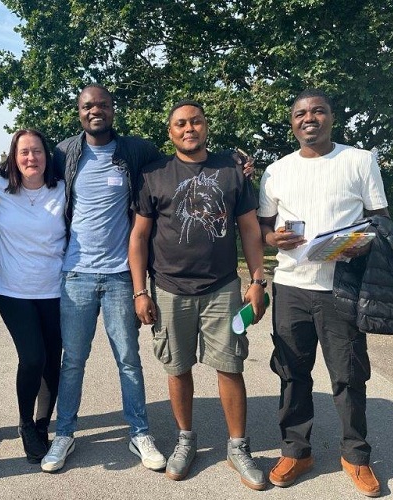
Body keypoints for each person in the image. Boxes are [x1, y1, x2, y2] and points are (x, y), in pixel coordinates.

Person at [128, 100, 268, 490]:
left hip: (222, 286)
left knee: (230, 366)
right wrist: (141, 290)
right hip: (169, 288)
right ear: (170, 131)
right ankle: (185, 440)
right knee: (177, 367)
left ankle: (238, 447)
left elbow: (250, 231)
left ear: (206, 126)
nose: (189, 128)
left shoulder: (231, 170)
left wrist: (257, 281)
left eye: (196, 121)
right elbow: (138, 237)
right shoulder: (153, 174)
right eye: (180, 123)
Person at [257, 89, 390, 498]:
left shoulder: (359, 160)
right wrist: (272, 239)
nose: (308, 118)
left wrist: (357, 243)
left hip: (342, 287)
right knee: (292, 373)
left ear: (332, 117)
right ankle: (296, 451)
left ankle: (356, 455)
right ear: (292, 122)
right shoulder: (276, 170)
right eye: (300, 113)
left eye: (317, 111)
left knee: (349, 375)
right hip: (291, 287)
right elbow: (261, 229)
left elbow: (379, 222)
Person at [39, 84, 167, 473]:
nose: (96, 111)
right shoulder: (63, 152)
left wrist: (233, 160)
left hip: (120, 277)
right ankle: (64, 434)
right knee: (73, 360)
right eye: (88, 106)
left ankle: (139, 432)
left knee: (128, 359)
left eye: (103, 105)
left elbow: (178, 168)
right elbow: (22, 171)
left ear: (113, 110)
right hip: (75, 275)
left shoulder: (136, 150)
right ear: (79, 112)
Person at [0, 129, 65, 464]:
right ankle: (25, 422)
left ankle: (42, 424)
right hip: (12, 288)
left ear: (47, 156)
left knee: (52, 359)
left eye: (37, 151)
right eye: (24, 153)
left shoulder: (64, 190)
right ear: (14, 159)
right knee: (32, 357)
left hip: (57, 289)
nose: (31, 158)